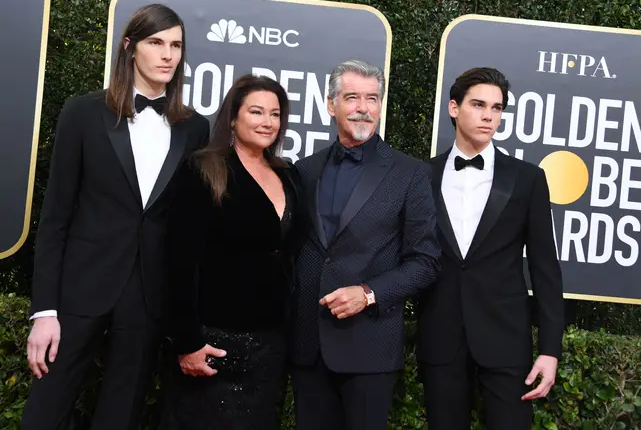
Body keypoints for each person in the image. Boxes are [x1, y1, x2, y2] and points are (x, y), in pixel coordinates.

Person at [22, 4, 210, 430]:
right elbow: (55, 220)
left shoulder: (194, 128)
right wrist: (45, 311)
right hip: (80, 288)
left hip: (148, 294)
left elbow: (186, 230)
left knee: (121, 415)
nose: (168, 55)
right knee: (44, 412)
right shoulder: (83, 113)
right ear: (129, 47)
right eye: (156, 42)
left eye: (176, 45)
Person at [290, 60, 441, 430]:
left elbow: (426, 260)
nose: (363, 107)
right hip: (308, 346)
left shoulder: (410, 173)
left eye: (372, 99)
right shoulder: (304, 170)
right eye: (352, 97)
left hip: (369, 346)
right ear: (331, 105)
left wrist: (368, 293)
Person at [418, 67, 564, 430]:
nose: (488, 116)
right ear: (454, 108)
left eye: (497, 108)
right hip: (441, 335)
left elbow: (546, 269)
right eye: (478, 104)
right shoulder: (421, 175)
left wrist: (549, 350)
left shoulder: (527, 178)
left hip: (505, 338)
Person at [160, 74, 307, 430]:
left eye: (275, 114)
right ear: (233, 117)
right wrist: (188, 342)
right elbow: (179, 263)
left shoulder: (289, 174)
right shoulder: (204, 169)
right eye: (256, 111)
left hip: (270, 343)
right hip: (214, 342)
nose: (267, 122)